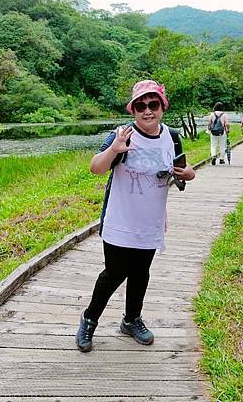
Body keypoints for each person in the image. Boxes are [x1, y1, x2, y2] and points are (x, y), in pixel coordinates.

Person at [76, 80, 195, 353]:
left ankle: (131, 320)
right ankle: (89, 318)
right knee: (115, 272)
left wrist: (188, 174)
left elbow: (183, 175)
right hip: (120, 219)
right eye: (141, 106)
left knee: (141, 272)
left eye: (153, 104)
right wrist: (114, 149)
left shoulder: (172, 137)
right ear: (133, 110)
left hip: (151, 220)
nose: (147, 111)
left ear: (162, 106)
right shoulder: (123, 135)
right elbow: (95, 168)